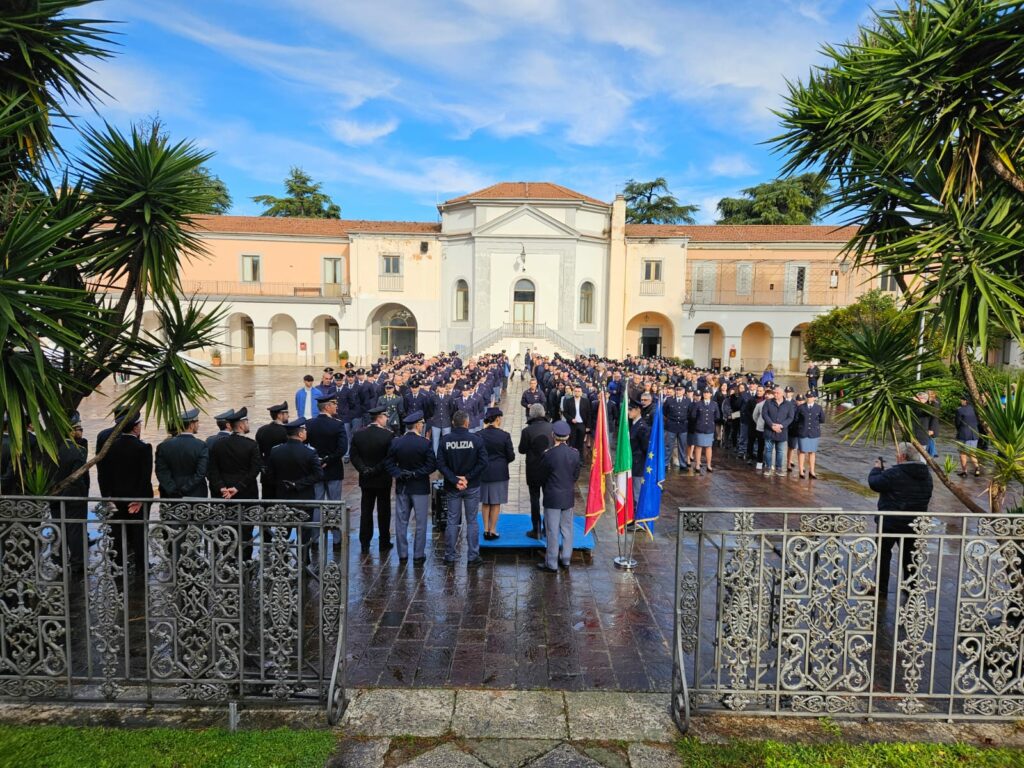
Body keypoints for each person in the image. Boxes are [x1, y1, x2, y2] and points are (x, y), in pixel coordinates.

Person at [868, 442, 933, 599]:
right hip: (914, 523)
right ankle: (911, 586)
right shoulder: (926, 475)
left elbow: (875, 483)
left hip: (891, 521)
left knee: (883, 554)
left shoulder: (894, 473)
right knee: (910, 556)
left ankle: (881, 588)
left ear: (903, 456)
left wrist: (876, 468)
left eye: (898, 455)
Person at [97, 411, 152, 576]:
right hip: (135, 500)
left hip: (116, 498)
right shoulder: (143, 448)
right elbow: (145, 476)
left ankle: (117, 566)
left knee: (117, 533)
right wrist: (139, 499)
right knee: (138, 533)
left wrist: (107, 497)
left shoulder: (110, 446)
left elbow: (103, 474)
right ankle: (141, 567)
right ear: (135, 428)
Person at [436, 410, 488, 567]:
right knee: (472, 521)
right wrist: (468, 477)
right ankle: (473, 556)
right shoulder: (476, 439)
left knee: (452, 521)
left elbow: (440, 464)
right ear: (467, 423)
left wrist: (455, 479)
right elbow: (483, 462)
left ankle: (450, 556)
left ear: (453, 423)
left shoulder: (445, 440)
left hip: (453, 487)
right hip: (471, 485)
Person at [385, 410, 437, 563]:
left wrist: (399, 473)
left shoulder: (396, 442)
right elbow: (431, 465)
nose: (422, 426)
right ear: (416, 425)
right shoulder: (425, 443)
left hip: (403, 487)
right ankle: (418, 555)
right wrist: (416, 474)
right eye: (421, 424)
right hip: (419, 487)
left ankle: (402, 554)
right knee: (420, 523)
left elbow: (388, 463)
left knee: (401, 522)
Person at [350, 405, 395, 556]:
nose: (387, 419)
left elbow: (354, 456)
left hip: (366, 479)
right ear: (380, 418)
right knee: (384, 511)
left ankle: (364, 543)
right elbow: (389, 458)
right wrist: (375, 470)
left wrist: (364, 469)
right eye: (385, 417)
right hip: (382, 478)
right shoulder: (388, 435)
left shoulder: (358, 434)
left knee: (366, 511)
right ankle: (384, 542)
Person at [536, 421, 581, 573]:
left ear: (553, 435)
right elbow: (575, 475)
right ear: (567, 437)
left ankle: (552, 563)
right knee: (567, 529)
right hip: (567, 495)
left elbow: (541, 476)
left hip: (552, 497)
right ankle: (566, 559)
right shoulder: (575, 453)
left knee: (552, 530)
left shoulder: (548, 454)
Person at [52, 413, 90, 572]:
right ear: (71, 430)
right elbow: (78, 477)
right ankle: (77, 563)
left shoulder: (52, 447)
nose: (80, 432)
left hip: (54, 495)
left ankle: (59, 559)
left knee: (58, 527)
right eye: (78, 429)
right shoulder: (77, 450)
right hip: (74, 497)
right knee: (75, 531)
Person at [155, 407, 209, 498]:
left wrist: (172, 490)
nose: (198, 425)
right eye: (197, 423)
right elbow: (201, 472)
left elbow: (161, 471)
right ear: (191, 425)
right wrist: (185, 489)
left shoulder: (163, 446)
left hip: (170, 494)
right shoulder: (201, 445)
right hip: (195, 493)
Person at [518, 403, 554, 539]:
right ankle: (547, 527)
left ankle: (536, 528)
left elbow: (522, 450)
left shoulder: (527, 431)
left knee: (534, 499)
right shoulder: (551, 427)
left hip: (533, 468)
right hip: (548, 468)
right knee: (548, 499)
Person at [265, 418, 322, 500]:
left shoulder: (275, 450)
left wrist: (281, 485)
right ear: (300, 434)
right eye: (304, 430)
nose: (306, 432)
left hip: (282, 496)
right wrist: (297, 484)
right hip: (304, 496)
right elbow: (318, 474)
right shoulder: (309, 452)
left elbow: (270, 475)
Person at [479, 407, 515, 540]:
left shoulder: (479, 434)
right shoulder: (504, 435)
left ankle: (485, 529)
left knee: (485, 503)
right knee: (495, 503)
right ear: (498, 419)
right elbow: (510, 456)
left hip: (483, 472)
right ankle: (492, 530)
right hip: (499, 472)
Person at [255, 402, 289, 496]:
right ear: (279, 415)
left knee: (268, 503)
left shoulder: (261, 430)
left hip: (266, 473)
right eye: (286, 413)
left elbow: (258, 453)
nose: (288, 416)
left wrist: (263, 466)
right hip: (284, 473)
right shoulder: (287, 431)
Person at [761, 386, 795, 477]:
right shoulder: (768, 402)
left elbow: (790, 417)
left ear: (782, 394)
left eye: (777, 393)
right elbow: (764, 414)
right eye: (774, 393)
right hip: (769, 430)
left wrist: (781, 425)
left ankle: (779, 468)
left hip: (781, 431)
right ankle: (768, 467)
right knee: (768, 450)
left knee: (780, 451)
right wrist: (771, 425)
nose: (775, 394)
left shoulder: (788, 404)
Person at [794, 391, 825, 479]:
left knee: (812, 452)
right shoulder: (801, 407)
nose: (809, 398)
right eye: (807, 397)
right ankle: (801, 471)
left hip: (814, 433)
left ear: (814, 398)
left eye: (811, 397)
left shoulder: (818, 408)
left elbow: (822, 419)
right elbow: (796, 419)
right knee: (802, 451)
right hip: (803, 432)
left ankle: (812, 471)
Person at [690, 388, 719, 474]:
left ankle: (709, 465)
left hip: (709, 428)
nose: (706, 394)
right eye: (705, 392)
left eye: (708, 393)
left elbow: (717, 416)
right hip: (700, 428)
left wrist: (710, 421)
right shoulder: (698, 404)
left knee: (708, 447)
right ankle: (697, 464)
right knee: (698, 447)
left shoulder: (714, 404)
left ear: (711, 394)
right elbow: (693, 416)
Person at [628, 400, 650, 508]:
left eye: (631, 410)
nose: (628, 412)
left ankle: (638, 513)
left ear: (638, 410)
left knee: (637, 490)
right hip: (633, 461)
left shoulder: (642, 427)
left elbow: (645, 447)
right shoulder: (634, 423)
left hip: (638, 463)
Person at [954, 394, 981, 477]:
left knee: (963, 453)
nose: (960, 401)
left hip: (963, 434)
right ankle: (977, 468)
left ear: (965, 401)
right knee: (972, 453)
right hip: (974, 434)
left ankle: (964, 472)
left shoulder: (960, 410)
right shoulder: (975, 409)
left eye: (961, 400)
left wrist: (959, 430)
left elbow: (957, 423)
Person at [663, 385, 689, 471]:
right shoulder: (669, 400)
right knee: (668, 446)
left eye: (680, 390)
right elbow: (664, 412)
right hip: (671, 426)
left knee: (682, 446)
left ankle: (682, 464)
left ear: (684, 391)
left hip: (683, 427)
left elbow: (689, 413)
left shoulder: (688, 401)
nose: (678, 392)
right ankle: (666, 464)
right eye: (677, 390)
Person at [561, 384, 591, 455]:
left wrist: (588, 426)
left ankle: (580, 459)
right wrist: (571, 419)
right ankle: (571, 457)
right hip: (572, 425)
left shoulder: (586, 401)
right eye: (576, 391)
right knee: (572, 442)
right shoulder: (568, 401)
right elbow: (565, 413)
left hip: (582, 424)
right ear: (573, 392)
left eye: (579, 391)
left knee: (580, 443)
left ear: (581, 393)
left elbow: (589, 414)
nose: (577, 392)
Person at [912, 391, 939, 458]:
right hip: (915, 434)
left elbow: (933, 416)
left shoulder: (933, 404)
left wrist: (932, 429)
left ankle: (932, 457)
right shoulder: (914, 406)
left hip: (924, 434)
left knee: (924, 454)